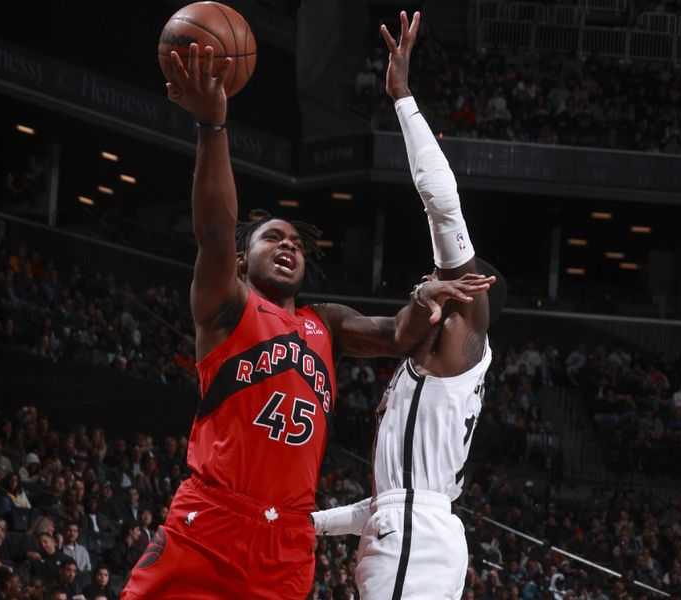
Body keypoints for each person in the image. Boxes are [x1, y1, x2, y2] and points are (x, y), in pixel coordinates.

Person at [120, 34, 493, 600]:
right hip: (214, 516)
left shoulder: (327, 322)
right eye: (274, 238)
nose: (289, 245)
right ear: (244, 261)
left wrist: (423, 299)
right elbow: (216, 232)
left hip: (286, 538)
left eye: (297, 241)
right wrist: (213, 126)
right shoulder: (227, 305)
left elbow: (397, 335)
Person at [311, 12, 505, 600]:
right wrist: (307, 523)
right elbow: (385, 499)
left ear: (471, 295)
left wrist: (403, 100)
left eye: (442, 278)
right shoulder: (431, 368)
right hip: (413, 531)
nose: (430, 277)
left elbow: (443, 208)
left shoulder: (463, 335)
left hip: (413, 539)